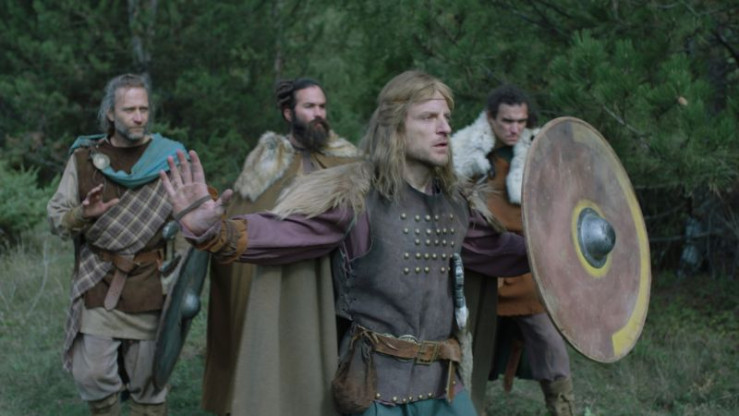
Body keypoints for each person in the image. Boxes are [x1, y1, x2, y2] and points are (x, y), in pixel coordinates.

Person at [160, 70, 531, 416]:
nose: (444, 128)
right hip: (373, 387)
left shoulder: (457, 205)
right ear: (396, 127)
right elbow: (287, 231)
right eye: (429, 117)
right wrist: (215, 231)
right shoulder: (357, 197)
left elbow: (506, 253)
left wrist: (555, 250)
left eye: (446, 117)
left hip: (444, 388)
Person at [201, 77, 359, 415]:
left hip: (330, 285)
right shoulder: (264, 168)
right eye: (309, 106)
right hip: (274, 276)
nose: (318, 114)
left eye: (322, 106)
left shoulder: (346, 163)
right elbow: (243, 221)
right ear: (289, 113)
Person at [47, 73, 188, 416]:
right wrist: (82, 213)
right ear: (110, 113)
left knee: (150, 384)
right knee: (92, 376)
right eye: (129, 110)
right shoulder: (84, 159)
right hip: (98, 278)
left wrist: (181, 278)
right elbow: (56, 219)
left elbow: (189, 221)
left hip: (150, 283)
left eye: (143, 109)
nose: (139, 117)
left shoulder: (170, 158)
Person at [450, 84, 575, 416]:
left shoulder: (538, 154)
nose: (514, 128)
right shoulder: (465, 156)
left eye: (520, 121)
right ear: (491, 118)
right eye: (506, 121)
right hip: (481, 267)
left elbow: (556, 208)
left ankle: (563, 408)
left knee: (548, 341)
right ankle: (470, 409)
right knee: (470, 345)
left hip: (526, 265)